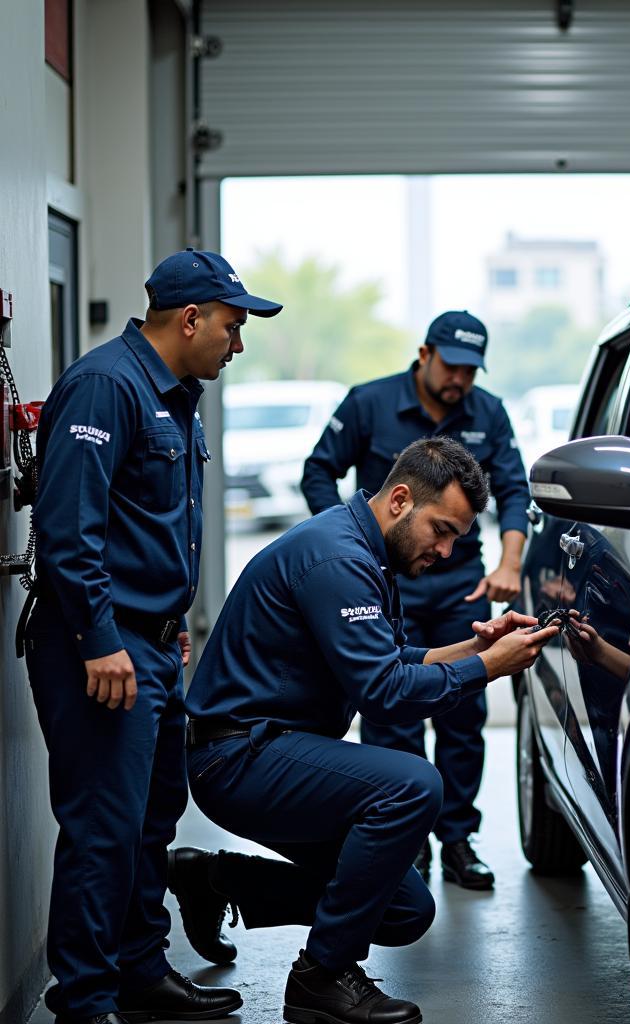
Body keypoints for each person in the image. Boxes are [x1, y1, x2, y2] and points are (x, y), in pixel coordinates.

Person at [171, 437, 557, 1024]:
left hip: (276, 750)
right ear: (401, 499)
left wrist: (477, 648)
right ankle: (321, 976)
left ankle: (214, 879)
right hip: (237, 756)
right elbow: (385, 695)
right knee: (413, 784)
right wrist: (486, 668)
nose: (449, 551)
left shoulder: (364, 548)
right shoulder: (338, 558)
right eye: (443, 530)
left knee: (405, 909)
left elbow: (391, 661)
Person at [23, 248, 282, 1024]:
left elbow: (149, 528)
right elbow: (70, 531)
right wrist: (103, 637)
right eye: (233, 327)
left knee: (149, 821)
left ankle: (139, 971)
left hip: (149, 644)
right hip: (97, 646)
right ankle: (86, 1001)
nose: (238, 344)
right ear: (191, 317)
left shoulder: (172, 395)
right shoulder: (109, 385)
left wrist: (167, 629)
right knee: (104, 829)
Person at [300, 310, 529, 889]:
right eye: (451, 365)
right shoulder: (368, 403)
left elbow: (515, 489)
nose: (460, 380)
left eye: (471, 371)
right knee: (390, 705)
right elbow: (318, 472)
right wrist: (351, 546)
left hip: (459, 583)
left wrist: (509, 563)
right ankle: (405, 841)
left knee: (463, 708)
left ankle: (456, 837)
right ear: (425, 354)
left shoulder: (489, 412)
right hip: (384, 579)